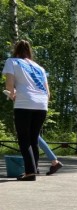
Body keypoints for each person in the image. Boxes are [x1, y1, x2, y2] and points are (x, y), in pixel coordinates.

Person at [2, 40, 50, 181]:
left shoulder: (12, 61)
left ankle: (30, 173)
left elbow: (10, 86)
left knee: (24, 139)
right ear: (29, 51)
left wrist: (11, 95)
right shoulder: (39, 68)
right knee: (33, 139)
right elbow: (48, 93)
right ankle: (34, 168)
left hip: (24, 102)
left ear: (16, 50)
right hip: (42, 104)